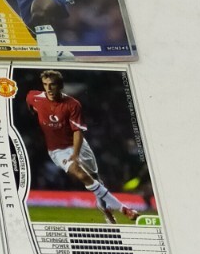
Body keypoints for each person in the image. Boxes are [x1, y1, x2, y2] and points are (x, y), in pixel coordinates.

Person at [27, 70, 137, 224]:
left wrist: (76, 154)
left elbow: (77, 132)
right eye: (45, 85)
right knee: (81, 174)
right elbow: (31, 106)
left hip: (78, 145)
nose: (49, 88)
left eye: (52, 85)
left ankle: (104, 208)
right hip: (58, 150)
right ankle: (123, 208)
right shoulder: (33, 97)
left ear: (60, 86)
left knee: (95, 179)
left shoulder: (72, 105)